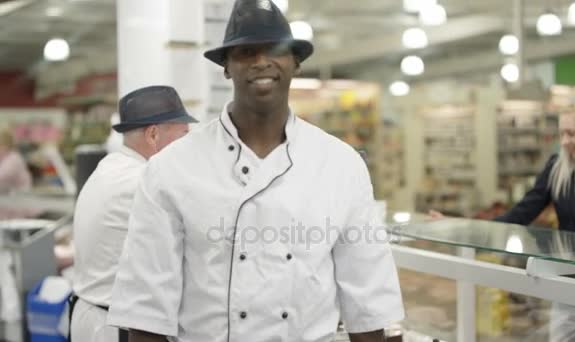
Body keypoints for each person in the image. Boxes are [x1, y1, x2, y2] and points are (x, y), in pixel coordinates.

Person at [106, 1, 405, 341]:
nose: (261, 62)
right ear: (226, 68)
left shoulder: (340, 164)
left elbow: (367, 298)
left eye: (275, 51)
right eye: (246, 52)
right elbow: (147, 309)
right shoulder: (171, 168)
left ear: (296, 64)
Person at [432, 97, 575, 341]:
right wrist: (461, 227)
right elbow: (521, 213)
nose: (564, 142)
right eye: (561, 134)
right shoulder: (558, 168)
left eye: (571, 133)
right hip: (571, 288)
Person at [70, 85, 198, 342]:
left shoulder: (112, 166)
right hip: (116, 328)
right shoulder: (143, 180)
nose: (190, 144)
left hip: (93, 317)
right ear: (153, 134)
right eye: (183, 134)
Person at [0, 129, 32, 193]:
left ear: (5, 145)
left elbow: (3, 175)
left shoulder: (14, 158)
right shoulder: (3, 157)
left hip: (20, 194)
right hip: (8, 193)